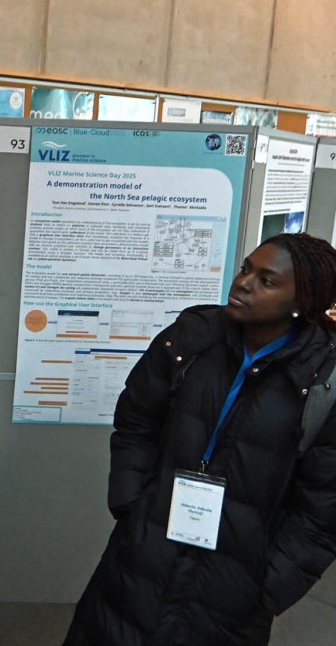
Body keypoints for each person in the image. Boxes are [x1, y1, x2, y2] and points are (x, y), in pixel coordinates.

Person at [65, 232, 336, 645]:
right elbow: (137, 420)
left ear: (303, 301)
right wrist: (132, 503)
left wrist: (270, 583)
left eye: (266, 280)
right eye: (246, 269)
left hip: (234, 583)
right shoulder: (191, 338)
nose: (243, 283)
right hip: (144, 550)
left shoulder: (323, 381)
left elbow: (323, 506)